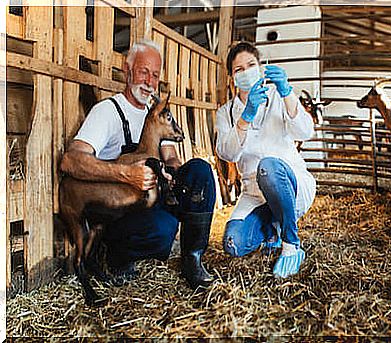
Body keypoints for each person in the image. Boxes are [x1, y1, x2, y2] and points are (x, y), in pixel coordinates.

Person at [60, 40, 216, 289]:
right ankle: (119, 258)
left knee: (200, 170)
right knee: (162, 230)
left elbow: (171, 156)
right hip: (120, 209)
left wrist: (172, 171)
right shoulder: (107, 112)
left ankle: (193, 259)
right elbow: (71, 161)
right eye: (144, 72)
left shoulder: (155, 114)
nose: (149, 82)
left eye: (155, 75)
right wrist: (125, 174)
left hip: (152, 196)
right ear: (128, 70)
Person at [216, 42, 316, 278]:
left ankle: (291, 245)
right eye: (238, 69)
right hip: (253, 194)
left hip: (290, 184)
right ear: (232, 77)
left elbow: (305, 132)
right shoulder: (226, 112)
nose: (246, 72)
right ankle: (271, 227)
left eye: (251, 65)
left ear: (261, 69)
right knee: (233, 243)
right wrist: (245, 117)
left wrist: (287, 92)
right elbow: (227, 153)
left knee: (268, 167)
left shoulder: (277, 96)